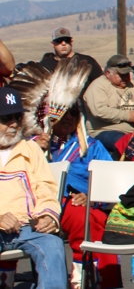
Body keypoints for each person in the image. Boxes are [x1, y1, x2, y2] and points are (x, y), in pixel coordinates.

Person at [33, 106, 120, 288]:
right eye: (62, 113)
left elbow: (109, 179)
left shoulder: (91, 146)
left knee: (90, 218)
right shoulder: (34, 145)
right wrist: (34, 150)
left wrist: (91, 197)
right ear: (49, 117)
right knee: (85, 218)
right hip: (39, 204)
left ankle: (89, 280)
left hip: (80, 204)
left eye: (73, 113)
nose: (68, 118)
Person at [0, 87, 68, 289]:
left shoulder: (30, 149)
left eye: (17, 118)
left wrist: (48, 215)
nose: (13, 124)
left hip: (27, 227)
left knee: (54, 245)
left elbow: (45, 187)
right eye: (5, 119)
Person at [83, 54, 134, 154]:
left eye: (127, 74)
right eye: (121, 75)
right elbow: (99, 111)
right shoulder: (98, 86)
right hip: (104, 131)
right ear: (108, 73)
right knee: (127, 143)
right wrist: (127, 116)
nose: (126, 78)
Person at [40, 26, 103, 93]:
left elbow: (101, 84)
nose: (63, 43)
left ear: (71, 41)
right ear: (52, 44)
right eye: (59, 41)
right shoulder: (45, 64)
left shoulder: (87, 61)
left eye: (67, 40)